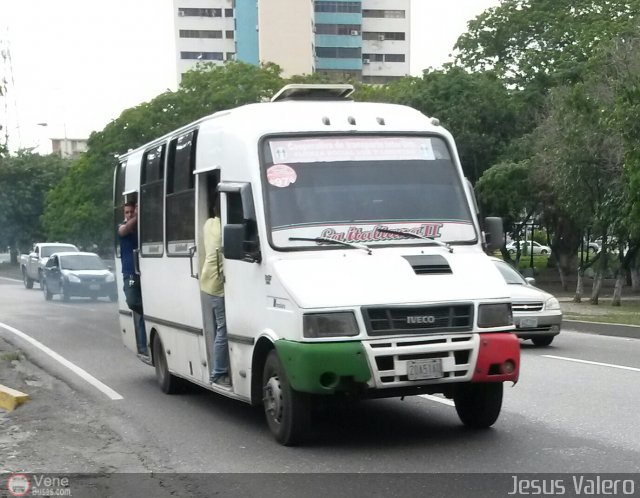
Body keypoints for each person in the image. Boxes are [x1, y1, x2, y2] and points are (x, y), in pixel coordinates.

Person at [200, 194, 230, 388]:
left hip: (208, 279)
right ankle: (218, 372)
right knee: (223, 328)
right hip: (218, 283)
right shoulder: (223, 230)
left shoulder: (209, 223)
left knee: (220, 325)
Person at [118, 201, 148, 357]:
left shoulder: (144, 227)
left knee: (145, 309)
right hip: (130, 273)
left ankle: (144, 345)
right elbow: (125, 229)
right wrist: (137, 216)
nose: (129, 215)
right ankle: (149, 314)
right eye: (127, 212)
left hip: (146, 273)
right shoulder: (123, 227)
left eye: (132, 212)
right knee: (133, 302)